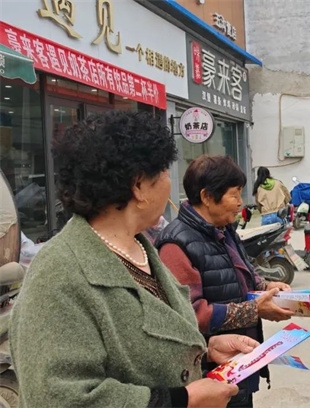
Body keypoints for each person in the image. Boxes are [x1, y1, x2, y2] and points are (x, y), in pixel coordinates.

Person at [9, 111, 258, 408]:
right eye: (165, 173)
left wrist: (202, 350)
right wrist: (184, 400)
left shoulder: (141, 248)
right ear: (139, 187)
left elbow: (139, 344)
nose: (170, 184)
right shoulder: (58, 274)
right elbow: (58, 397)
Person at [156, 154, 294, 408]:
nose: (241, 203)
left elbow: (242, 273)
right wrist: (254, 310)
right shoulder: (176, 244)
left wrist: (265, 287)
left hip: (240, 364)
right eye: (235, 194)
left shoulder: (224, 228)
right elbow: (192, 314)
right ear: (208, 197)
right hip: (210, 376)